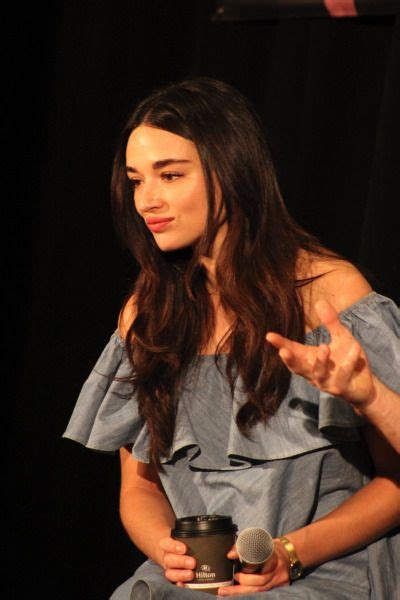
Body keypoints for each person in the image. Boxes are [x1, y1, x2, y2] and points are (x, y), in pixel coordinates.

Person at [63, 77, 400, 599]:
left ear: (230, 172)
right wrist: (165, 548)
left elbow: (395, 485)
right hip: (201, 581)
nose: (147, 200)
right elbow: (139, 487)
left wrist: (290, 553)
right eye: (135, 180)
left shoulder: (329, 296)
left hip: (324, 569)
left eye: (170, 175)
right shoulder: (147, 316)